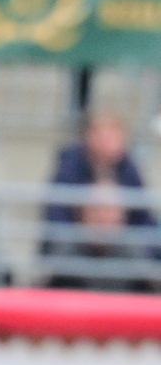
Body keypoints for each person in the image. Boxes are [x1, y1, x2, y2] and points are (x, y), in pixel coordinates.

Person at [41, 111, 160, 289]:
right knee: (66, 255)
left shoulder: (129, 167)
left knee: (141, 253)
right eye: (103, 136)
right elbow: (57, 213)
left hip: (120, 239)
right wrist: (85, 229)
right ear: (89, 137)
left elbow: (142, 215)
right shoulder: (71, 164)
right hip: (79, 238)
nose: (108, 142)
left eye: (113, 136)